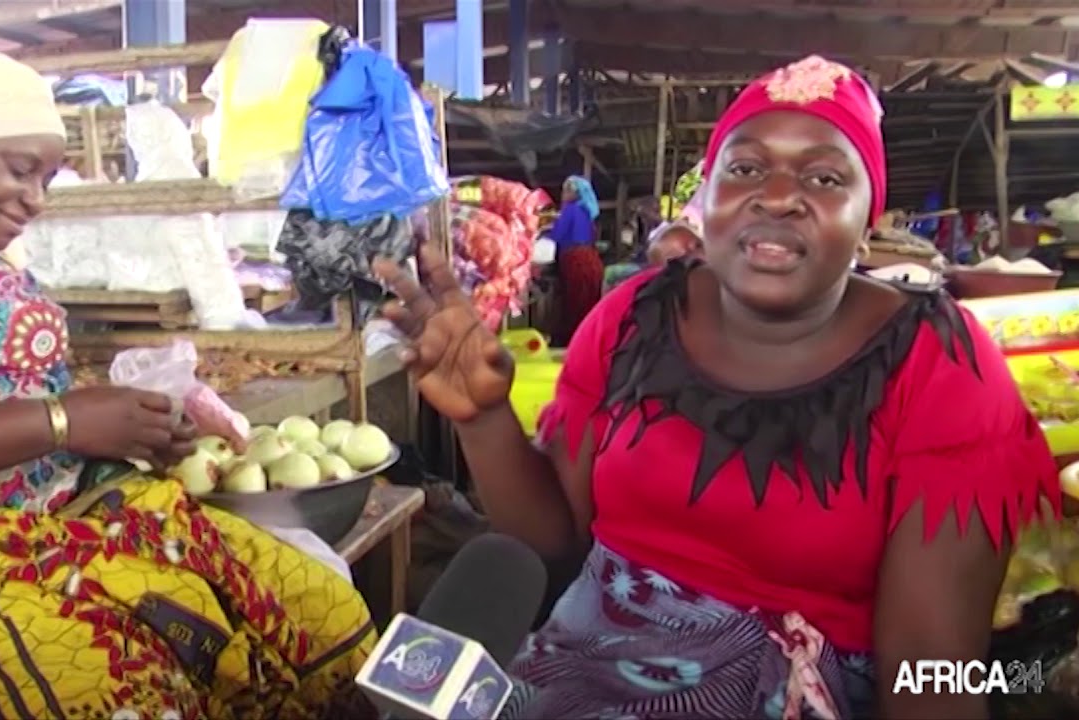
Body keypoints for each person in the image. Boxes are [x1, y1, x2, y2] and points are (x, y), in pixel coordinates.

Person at [375, 55, 1059, 719]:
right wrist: (484, 420)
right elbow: (555, 548)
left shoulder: (939, 363)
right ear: (708, 198)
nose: (780, 195)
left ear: (869, 218)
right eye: (746, 167)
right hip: (572, 673)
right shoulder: (631, 318)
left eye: (824, 177)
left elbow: (928, 672)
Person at [0, 47, 375, 720]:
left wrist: (141, 423)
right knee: (98, 692)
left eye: (48, 176)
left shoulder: (0, 263)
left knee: (317, 609)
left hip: (81, 514)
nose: (37, 198)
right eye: (21, 169)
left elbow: (17, 393)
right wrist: (63, 421)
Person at [550, 175, 604, 345]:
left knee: (575, 302)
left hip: (576, 259)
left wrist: (544, 233)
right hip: (590, 258)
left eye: (567, 190)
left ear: (576, 193)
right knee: (588, 301)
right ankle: (589, 337)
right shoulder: (586, 211)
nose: (563, 194)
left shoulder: (570, 209)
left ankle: (576, 339)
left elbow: (557, 235)